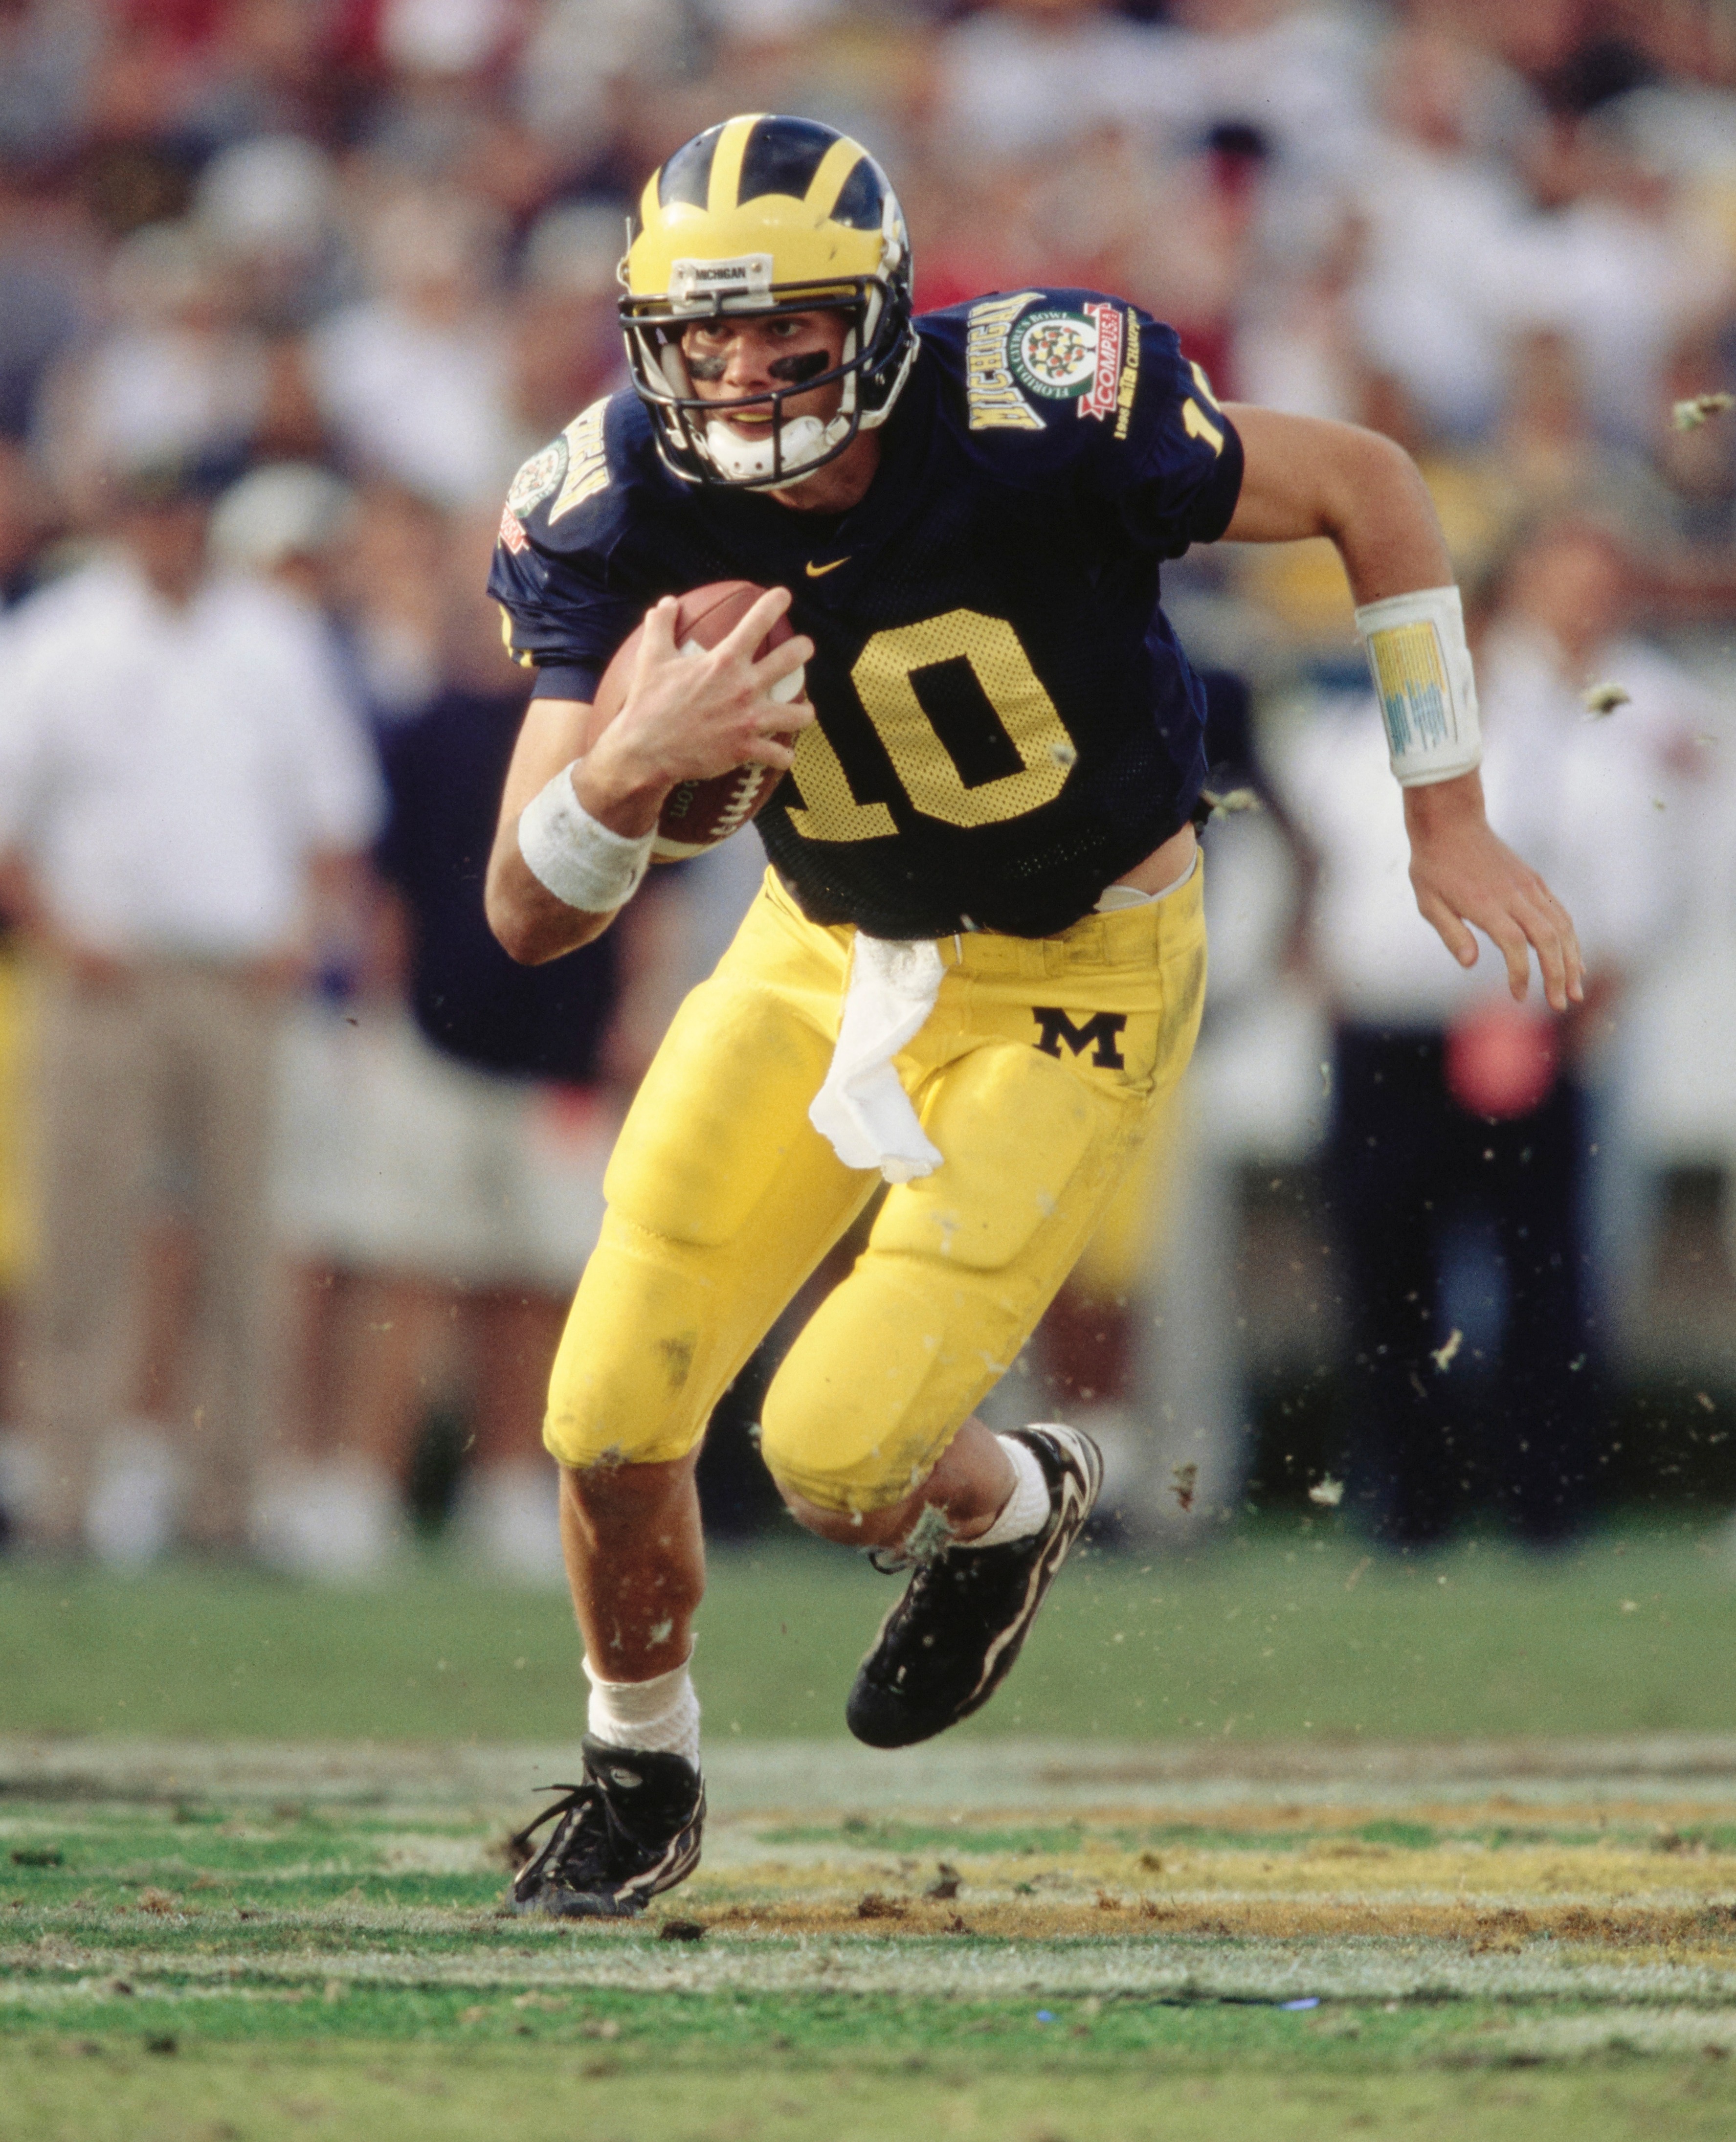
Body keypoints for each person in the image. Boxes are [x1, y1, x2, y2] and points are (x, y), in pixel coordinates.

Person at [482, 114, 1582, 1918]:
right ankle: (638, 1772)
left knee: (836, 1458)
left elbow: (1372, 485)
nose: (746, 379)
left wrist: (1440, 810)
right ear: (646, 344)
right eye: (706, 340)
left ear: (888, 315)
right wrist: (624, 771)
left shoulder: (1037, 404)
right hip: (821, 947)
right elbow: (527, 914)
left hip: (1078, 962)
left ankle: (1010, 1503)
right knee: (605, 1413)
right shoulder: (612, 500)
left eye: (793, 335)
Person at [0, 446, 382, 1560]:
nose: (169, 536)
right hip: (104, 977)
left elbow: (335, 817)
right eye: (152, 517)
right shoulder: (59, 636)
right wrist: (64, 932)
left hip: (234, 976)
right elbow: (11, 823)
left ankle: (229, 1498)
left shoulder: (273, 640)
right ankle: (63, 1489)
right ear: (128, 524)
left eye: (185, 518)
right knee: (84, 1243)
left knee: (243, 1244)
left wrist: (302, 938)